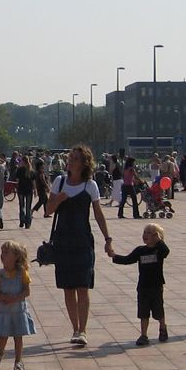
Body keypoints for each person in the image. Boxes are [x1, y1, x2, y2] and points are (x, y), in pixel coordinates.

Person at [46, 145, 113, 346]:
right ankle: (75, 328)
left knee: (83, 287)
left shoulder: (90, 185)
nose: (70, 161)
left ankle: (83, 330)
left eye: (75, 158)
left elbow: (98, 215)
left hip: (83, 241)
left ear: (84, 163)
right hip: (63, 241)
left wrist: (108, 239)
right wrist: (58, 200)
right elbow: (48, 210)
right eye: (70, 157)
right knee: (68, 288)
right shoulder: (60, 182)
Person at [108, 223, 170, 346]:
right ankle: (143, 335)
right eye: (144, 232)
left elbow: (166, 252)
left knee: (158, 310)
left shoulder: (159, 250)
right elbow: (128, 259)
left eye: (149, 233)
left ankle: (163, 328)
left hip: (156, 285)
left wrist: (159, 241)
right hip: (143, 286)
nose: (145, 235)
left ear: (156, 236)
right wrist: (114, 256)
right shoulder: (140, 250)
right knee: (143, 311)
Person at [0, 240, 35, 370]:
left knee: (18, 337)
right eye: (2, 252)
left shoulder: (22, 273)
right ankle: (0, 353)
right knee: (3, 335)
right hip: (4, 311)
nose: (2, 255)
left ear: (16, 256)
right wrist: (3, 297)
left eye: (6, 253)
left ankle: (18, 361)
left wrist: (15, 298)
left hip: (18, 311)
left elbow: (27, 291)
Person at [15, 155, 35, 229]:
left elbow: (17, 180)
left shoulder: (19, 170)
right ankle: (28, 223)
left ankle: (22, 220)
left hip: (21, 189)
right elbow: (33, 182)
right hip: (29, 190)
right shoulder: (31, 171)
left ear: (23, 161)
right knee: (28, 207)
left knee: (21, 205)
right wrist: (35, 190)